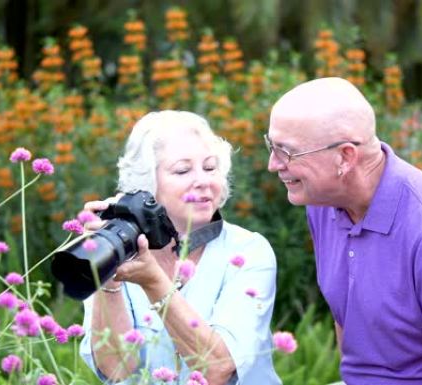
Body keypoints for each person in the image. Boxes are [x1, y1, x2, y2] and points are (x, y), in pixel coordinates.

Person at [265, 77, 422, 385]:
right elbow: (349, 318)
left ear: (345, 157)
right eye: (271, 145)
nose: (273, 164)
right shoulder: (324, 203)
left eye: (287, 152)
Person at [79, 110, 282, 385]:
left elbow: (218, 368)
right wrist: (106, 276)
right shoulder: (116, 247)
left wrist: (153, 282)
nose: (203, 180)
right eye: (183, 170)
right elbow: (117, 371)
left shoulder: (248, 251)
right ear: (146, 185)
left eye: (210, 168)